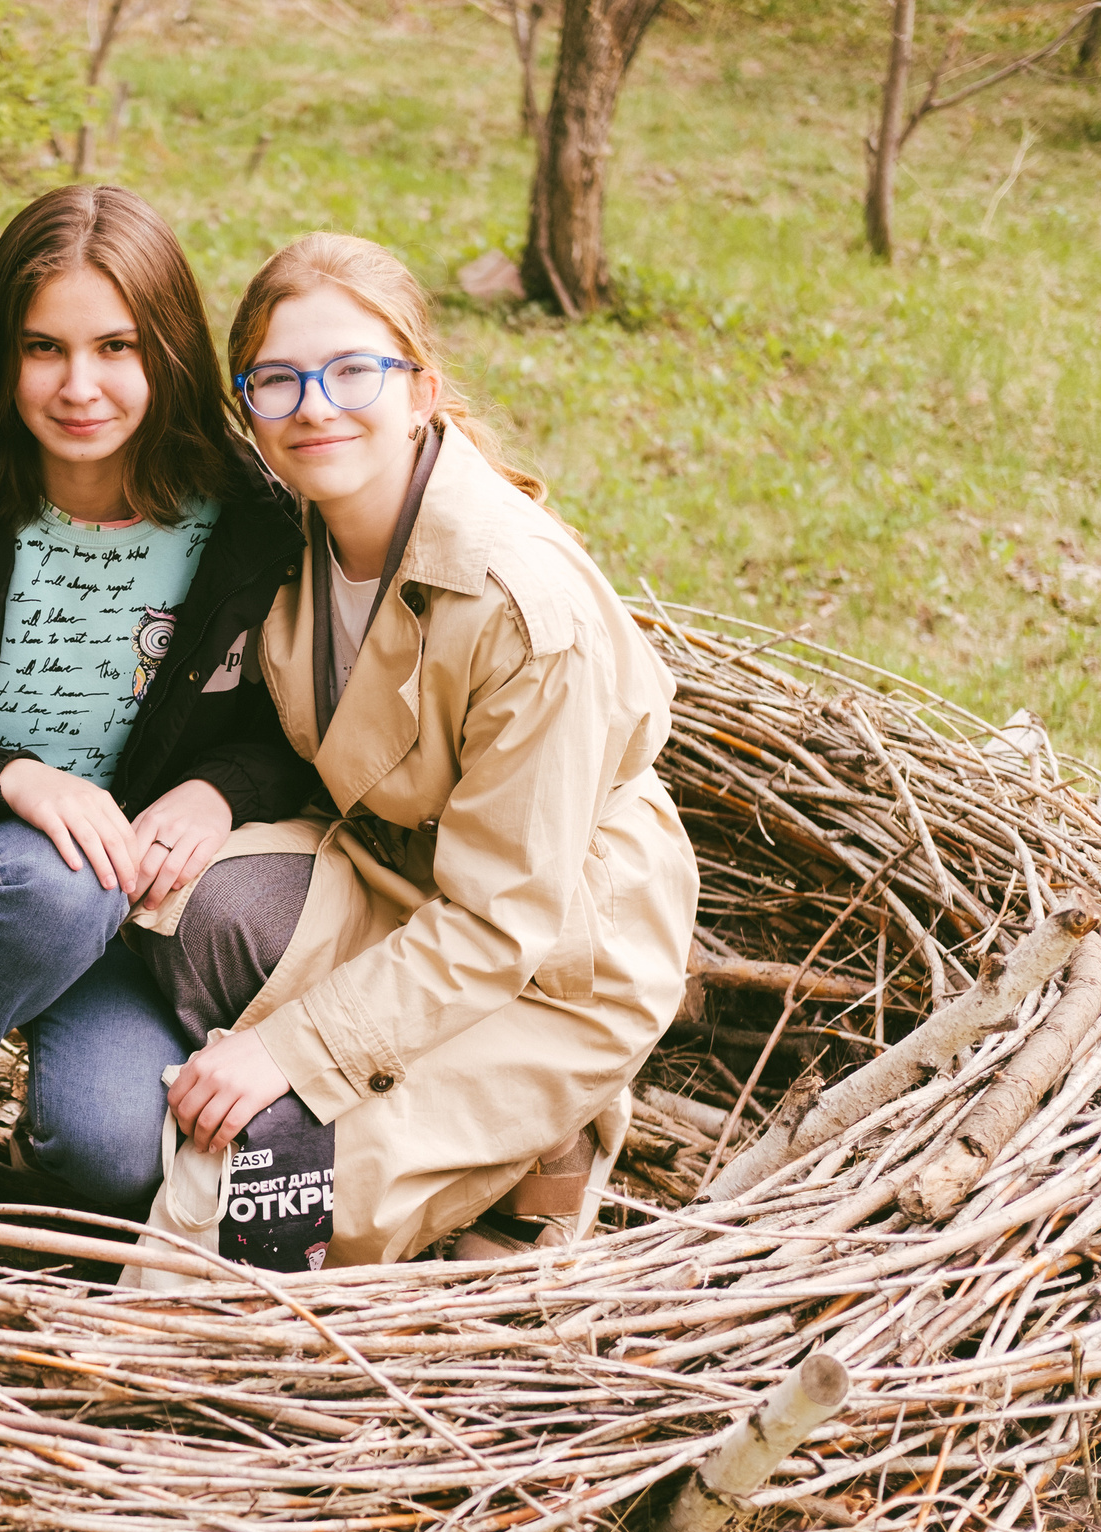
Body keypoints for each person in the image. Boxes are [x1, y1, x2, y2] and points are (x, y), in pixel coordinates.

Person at [126, 232, 698, 1270]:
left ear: (421, 389)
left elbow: (501, 918)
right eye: (277, 380)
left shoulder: (521, 610)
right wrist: (211, 796)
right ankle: (478, 1139)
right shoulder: (292, 534)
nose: (314, 405)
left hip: (556, 947)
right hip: (402, 875)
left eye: (353, 371)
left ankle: (544, 1136)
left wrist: (292, 1050)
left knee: (260, 1200)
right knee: (190, 912)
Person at [0, 185, 313, 1246]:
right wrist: (7, 777)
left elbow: (306, 738)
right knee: (56, 880)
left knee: (108, 1154)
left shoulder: (253, 528)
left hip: (134, 919)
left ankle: (35, 1151)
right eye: (43, 348)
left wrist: (217, 788)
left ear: (172, 353)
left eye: (117, 347)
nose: (79, 386)